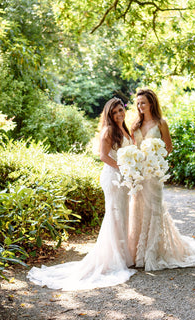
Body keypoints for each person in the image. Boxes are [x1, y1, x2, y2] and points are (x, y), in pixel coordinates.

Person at [27, 97, 136, 290]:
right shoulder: (109, 130)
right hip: (113, 176)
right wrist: (122, 167)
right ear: (109, 115)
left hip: (123, 177)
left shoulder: (124, 129)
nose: (119, 114)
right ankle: (112, 259)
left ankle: (123, 255)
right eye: (115, 112)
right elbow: (103, 156)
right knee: (115, 214)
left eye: (121, 110)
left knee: (123, 214)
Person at [128, 88, 195, 271]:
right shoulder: (135, 125)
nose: (140, 106)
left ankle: (153, 252)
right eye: (138, 103)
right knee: (139, 208)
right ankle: (138, 253)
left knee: (154, 209)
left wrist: (155, 158)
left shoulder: (161, 123)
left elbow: (168, 147)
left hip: (154, 173)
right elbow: (133, 148)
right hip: (140, 174)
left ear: (151, 104)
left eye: (143, 103)